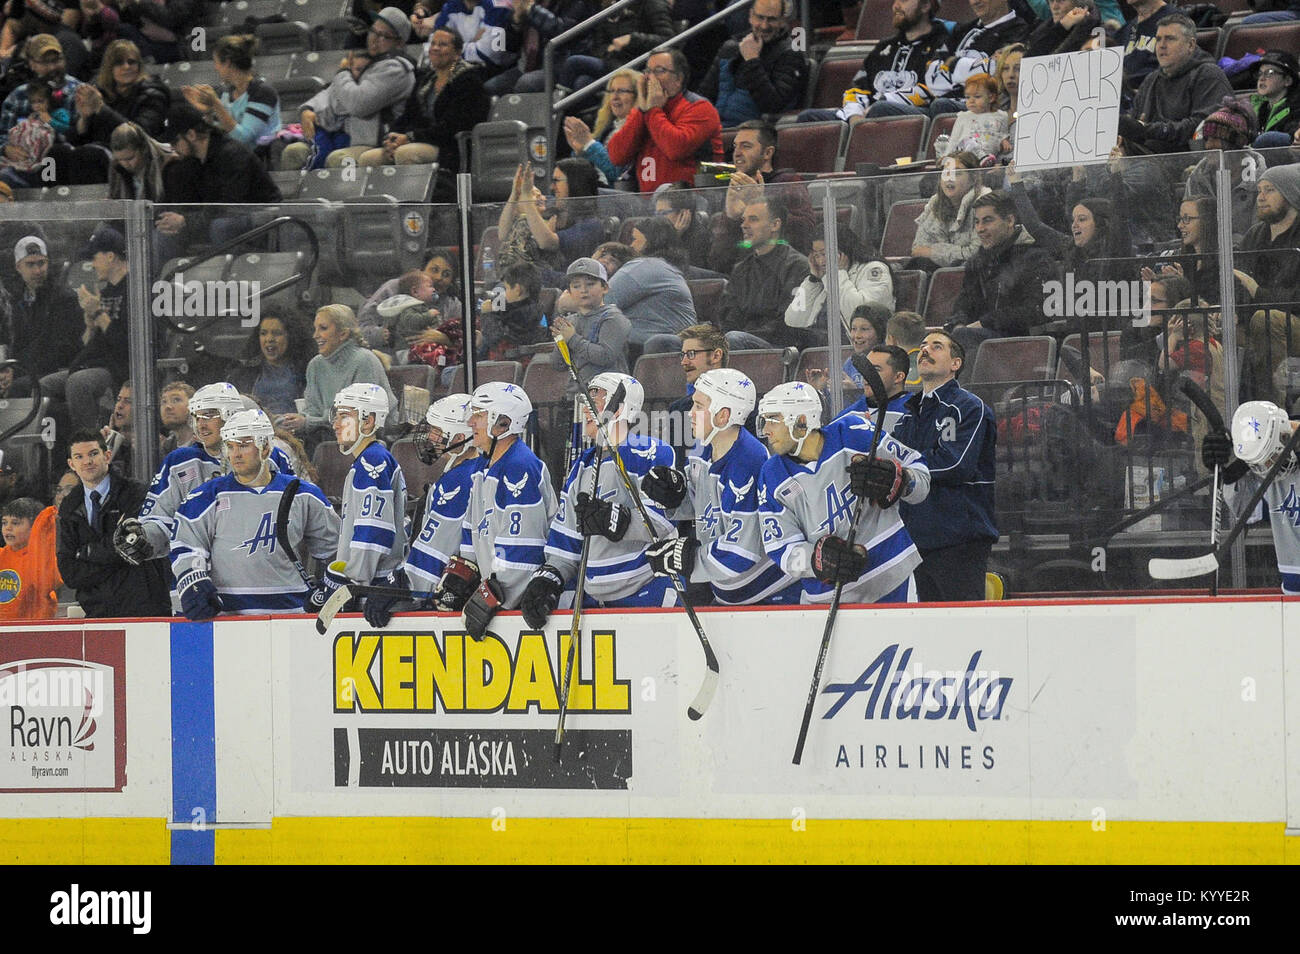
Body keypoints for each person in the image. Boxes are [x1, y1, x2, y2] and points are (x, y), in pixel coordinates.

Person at [520, 372, 678, 626]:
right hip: (593, 605)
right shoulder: (581, 467)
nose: (586, 408)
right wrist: (547, 580)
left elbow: (663, 522)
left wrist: (615, 519)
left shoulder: (649, 452)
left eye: (597, 397)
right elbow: (565, 545)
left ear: (620, 407)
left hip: (647, 597)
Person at [757, 380, 930, 604]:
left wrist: (899, 480)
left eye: (773, 419)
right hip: (827, 599)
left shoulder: (853, 433)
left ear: (801, 421)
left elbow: (922, 477)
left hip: (892, 579)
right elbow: (780, 547)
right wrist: (816, 560)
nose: (766, 430)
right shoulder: (771, 474)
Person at [639, 368, 802, 605]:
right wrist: (675, 494)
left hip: (771, 597)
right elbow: (700, 503)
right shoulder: (704, 448)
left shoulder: (748, 460)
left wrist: (689, 558)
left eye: (698, 406)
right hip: (730, 593)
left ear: (723, 415)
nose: (690, 414)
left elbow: (742, 550)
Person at [170, 409, 341, 619]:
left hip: (291, 614)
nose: (236, 454)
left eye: (243, 445)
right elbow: (186, 544)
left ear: (266, 447)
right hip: (229, 616)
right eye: (230, 446)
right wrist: (193, 580)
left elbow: (334, 548)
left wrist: (334, 582)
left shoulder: (303, 493)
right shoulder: (206, 496)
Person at [117, 382, 296, 571]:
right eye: (196, 416)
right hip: (195, 578)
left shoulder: (271, 457)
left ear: (232, 415)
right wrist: (142, 538)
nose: (201, 425)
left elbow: (297, 516)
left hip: (263, 576)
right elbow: (161, 520)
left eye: (209, 415)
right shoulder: (180, 461)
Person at [436, 381, 558, 638]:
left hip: (520, 611)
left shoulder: (519, 466)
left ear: (502, 423)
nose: (470, 423)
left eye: (478, 415)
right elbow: (471, 534)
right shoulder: (482, 466)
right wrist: (464, 579)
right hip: (499, 600)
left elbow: (522, 553)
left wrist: (490, 599)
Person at [890, 330, 997, 602]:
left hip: (958, 538)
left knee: (963, 626)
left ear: (955, 364)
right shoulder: (910, 413)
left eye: (937, 346)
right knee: (929, 629)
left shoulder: (969, 407)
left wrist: (901, 473)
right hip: (917, 538)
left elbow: (955, 464)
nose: (925, 350)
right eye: (923, 345)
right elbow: (892, 460)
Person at [365, 393, 482, 627]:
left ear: (459, 436)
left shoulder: (460, 479)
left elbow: (437, 548)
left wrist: (402, 584)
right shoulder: (472, 467)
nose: (430, 436)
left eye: (437, 431)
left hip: (454, 604)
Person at [281, 7, 416, 170]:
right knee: (293, 152)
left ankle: (337, 195)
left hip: (375, 143)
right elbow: (332, 92)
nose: (374, 39)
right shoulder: (370, 61)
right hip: (345, 136)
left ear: (399, 43)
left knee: (340, 159)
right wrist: (308, 109)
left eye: (384, 36)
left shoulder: (396, 68)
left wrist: (343, 72)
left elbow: (357, 104)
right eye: (373, 31)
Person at [57, 429, 170, 618]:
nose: (87, 461)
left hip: (145, 608)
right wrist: (116, 554)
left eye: (93, 454)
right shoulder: (69, 506)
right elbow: (70, 573)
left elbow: (132, 546)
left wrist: (86, 553)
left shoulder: (136, 493)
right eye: (79, 456)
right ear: (71, 464)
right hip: (97, 612)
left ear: (107, 455)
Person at [318, 382, 408, 614]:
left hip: (371, 588)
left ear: (368, 422)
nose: (336, 425)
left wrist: (353, 583)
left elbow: (373, 532)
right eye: (335, 416)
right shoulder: (368, 460)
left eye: (344, 416)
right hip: (371, 583)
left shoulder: (372, 463)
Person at [358, 26, 489, 177]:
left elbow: (453, 126)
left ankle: (413, 201)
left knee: (405, 154)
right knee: (368, 159)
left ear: (457, 53)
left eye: (442, 44)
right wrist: (391, 138)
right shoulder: (425, 79)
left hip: (450, 147)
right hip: (421, 139)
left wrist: (410, 138)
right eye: (433, 44)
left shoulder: (468, 80)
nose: (435, 48)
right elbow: (408, 115)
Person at [157, 102, 282, 255]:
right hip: (214, 218)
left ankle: (228, 277)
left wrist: (185, 221)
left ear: (191, 135)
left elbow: (230, 207)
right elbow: (188, 204)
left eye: (174, 142)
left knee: (222, 226)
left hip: (258, 218)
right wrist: (172, 220)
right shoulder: (189, 162)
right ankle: (167, 278)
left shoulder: (233, 155)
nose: (172, 148)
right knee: (163, 234)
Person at [797, 0, 952, 123]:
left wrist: (883, 101)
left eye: (904, 0)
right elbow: (857, 88)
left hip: (914, 114)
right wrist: (854, 115)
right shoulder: (884, 46)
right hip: (871, 112)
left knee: (881, 110)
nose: (896, 6)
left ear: (925, 5)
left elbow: (933, 89)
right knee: (808, 117)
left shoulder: (945, 44)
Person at [1202, 402, 1300, 593]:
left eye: (1269, 457)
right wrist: (1223, 466)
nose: (1267, 466)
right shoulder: (1277, 477)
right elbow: (1245, 506)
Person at [947, 189, 1055, 359]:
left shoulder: (1036, 258)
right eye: (977, 222)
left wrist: (985, 322)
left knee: (962, 339)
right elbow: (964, 303)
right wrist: (958, 323)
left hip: (1021, 343)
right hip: (981, 339)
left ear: (1010, 220)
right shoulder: (977, 261)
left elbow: (1037, 311)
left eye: (987, 221)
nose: (980, 229)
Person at [606, 48, 723, 194]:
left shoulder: (699, 108)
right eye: (648, 71)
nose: (650, 78)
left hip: (691, 201)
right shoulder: (644, 110)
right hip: (646, 203)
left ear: (678, 79)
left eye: (659, 71)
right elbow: (616, 156)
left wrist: (654, 110)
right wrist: (642, 111)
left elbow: (675, 149)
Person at [48, 226, 129, 432]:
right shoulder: (107, 291)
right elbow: (88, 344)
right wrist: (90, 323)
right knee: (40, 387)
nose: (92, 264)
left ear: (110, 256)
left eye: (95, 257)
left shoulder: (134, 289)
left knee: (78, 383)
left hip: (120, 367)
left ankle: (90, 445)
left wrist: (99, 313)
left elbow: (125, 346)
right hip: (95, 363)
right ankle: (57, 451)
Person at [278, 304, 397, 444]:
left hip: (373, 441)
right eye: (315, 329)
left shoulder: (365, 361)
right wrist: (294, 421)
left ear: (343, 334)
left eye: (323, 328)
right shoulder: (315, 365)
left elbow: (360, 419)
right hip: (329, 440)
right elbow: (312, 411)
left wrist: (309, 422)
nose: (315, 335)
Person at [708, 119, 815, 272]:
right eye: (735, 146)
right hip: (743, 278)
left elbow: (803, 237)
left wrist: (760, 206)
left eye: (746, 146)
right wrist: (731, 218)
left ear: (767, 152)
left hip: (783, 276)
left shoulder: (788, 183)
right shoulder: (734, 191)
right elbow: (719, 262)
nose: (737, 153)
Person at [1118, 14, 1232, 155]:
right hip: (1148, 156)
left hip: (1187, 158)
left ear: (1191, 45)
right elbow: (1136, 126)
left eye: (1170, 39)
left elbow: (1202, 127)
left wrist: (1148, 130)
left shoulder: (1208, 75)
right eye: (1158, 39)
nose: (1162, 45)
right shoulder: (1150, 80)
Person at [714, 195, 810, 350]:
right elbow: (728, 318)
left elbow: (789, 324)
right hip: (739, 341)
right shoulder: (741, 269)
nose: (744, 225)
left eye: (753, 219)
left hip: (779, 347)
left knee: (733, 339)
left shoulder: (798, 267)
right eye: (743, 220)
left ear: (774, 225)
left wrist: (745, 335)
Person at [1240, 164, 1300, 404]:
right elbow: (1238, 278)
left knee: (1267, 319)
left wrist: (1258, 292)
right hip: (1253, 321)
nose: (1260, 197)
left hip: (1291, 323)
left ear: (1291, 194)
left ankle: (1271, 410)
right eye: (1259, 190)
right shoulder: (1254, 235)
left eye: (1270, 190)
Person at [696, 0, 809, 128]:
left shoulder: (790, 54)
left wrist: (752, 60)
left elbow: (772, 106)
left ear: (782, 21)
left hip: (753, 134)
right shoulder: (730, 48)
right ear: (750, 16)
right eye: (760, 17)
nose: (764, 26)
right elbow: (704, 95)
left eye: (771, 19)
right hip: (716, 129)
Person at [923, 0, 1035, 117]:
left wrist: (953, 64)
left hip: (987, 107)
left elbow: (998, 73)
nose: (975, 2)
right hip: (944, 102)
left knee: (940, 105)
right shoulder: (962, 30)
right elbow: (931, 74)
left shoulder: (1019, 30)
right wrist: (977, 67)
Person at [498, 158, 604, 280]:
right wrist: (515, 194)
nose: (552, 187)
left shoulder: (591, 224)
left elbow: (547, 243)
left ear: (575, 183)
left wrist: (527, 197)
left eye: (557, 181)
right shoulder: (550, 205)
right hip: (528, 279)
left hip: (566, 284)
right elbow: (503, 234)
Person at [785, 226, 894, 338]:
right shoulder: (823, 277)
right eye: (816, 256)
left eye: (824, 254)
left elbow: (861, 316)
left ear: (843, 250)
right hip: (819, 340)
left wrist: (838, 274)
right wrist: (813, 280)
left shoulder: (873, 269)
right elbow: (792, 320)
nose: (821, 261)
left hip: (852, 342)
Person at [180, 34, 282, 150]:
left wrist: (216, 105)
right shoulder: (224, 93)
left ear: (227, 62)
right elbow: (214, 138)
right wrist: (208, 112)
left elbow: (243, 139)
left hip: (259, 157)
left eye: (216, 62)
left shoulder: (262, 92)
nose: (216, 68)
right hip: (230, 156)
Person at [611, 216, 696, 352]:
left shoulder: (646, 266)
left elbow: (599, 302)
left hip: (652, 349)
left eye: (635, 239)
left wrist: (565, 304)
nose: (631, 246)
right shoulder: (665, 267)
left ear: (651, 242)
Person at [9, 234, 82, 386]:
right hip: (24, 369)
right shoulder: (14, 300)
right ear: (18, 267)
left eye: (41, 263)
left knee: (17, 387)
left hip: (53, 371)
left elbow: (61, 349)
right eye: (30, 264)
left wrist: (16, 371)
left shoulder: (64, 298)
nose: (37, 270)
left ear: (48, 263)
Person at [70, 39, 169, 148]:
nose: (126, 67)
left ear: (139, 66)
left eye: (131, 62)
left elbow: (139, 136)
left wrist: (101, 108)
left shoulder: (153, 94)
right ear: (109, 68)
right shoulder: (100, 91)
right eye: (119, 63)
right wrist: (84, 119)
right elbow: (77, 141)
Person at [550, 257, 630, 388]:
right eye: (576, 286)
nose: (583, 290)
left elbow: (605, 356)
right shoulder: (570, 321)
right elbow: (558, 364)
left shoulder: (614, 318)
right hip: (576, 394)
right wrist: (560, 340)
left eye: (590, 284)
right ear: (569, 292)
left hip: (608, 395)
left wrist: (572, 339)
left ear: (605, 288)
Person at [359, 250, 463, 346]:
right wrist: (382, 335)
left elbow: (468, 339)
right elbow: (361, 328)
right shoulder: (393, 288)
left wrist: (445, 339)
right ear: (421, 270)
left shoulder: (453, 305)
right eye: (434, 270)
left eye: (446, 274)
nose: (439, 277)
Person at [911, 151, 991, 268]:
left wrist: (933, 252)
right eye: (946, 172)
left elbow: (977, 253)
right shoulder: (936, 203)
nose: (949, 178)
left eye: (957, 173)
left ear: (973, 178)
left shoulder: (984, 204)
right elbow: (918, 249)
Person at [562, 68, 639, 186]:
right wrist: (580, 151)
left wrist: (589, 144)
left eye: (622, 91)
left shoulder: (638, 130)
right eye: (612, 91)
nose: (615, 97)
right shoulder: (607, 129)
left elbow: (617, 174)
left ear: (638, 96)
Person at [227, 314, 311, 419]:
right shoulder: (243, 373)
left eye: (277, 333)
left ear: (291, 336)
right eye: (263, 333)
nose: (269, 339)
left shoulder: (307, 371)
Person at [0, 496, 60, 620]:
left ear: (34, 527)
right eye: (4, 522)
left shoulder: (42, 559)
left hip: (33, 632)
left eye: (15, 523)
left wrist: (44, 529)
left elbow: (47, 584)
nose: (8, 528)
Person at [478, 261, 546, 360]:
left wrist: (487, 314)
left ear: (517, 289)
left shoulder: (522, 315)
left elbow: (494, 338)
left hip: (505, 364)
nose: (504, 294)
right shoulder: (535, 309)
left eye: (507, 289)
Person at [1115, 0, 1178, 106]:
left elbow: (1172, 69)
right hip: (1122, 98)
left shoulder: (1175, 20)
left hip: (1155, 101)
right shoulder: (1124, 30)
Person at [838, 344, 913, 426]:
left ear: (898, 377)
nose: (866, 374)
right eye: (866, 368)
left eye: (876, 370)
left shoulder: (915, 412)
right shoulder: (847, 416)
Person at [0, 79, 53, 187]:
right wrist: (5, 148)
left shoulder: (58, 114)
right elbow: (5, 134)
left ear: (49, 101)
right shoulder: (28, 118)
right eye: (33, 102)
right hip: (19, 158)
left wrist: (50, 122)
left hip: (47, 160)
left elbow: (65, 135)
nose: (37, 105)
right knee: (5, 174)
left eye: (41, 101)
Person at [945, 73, 1007, 163]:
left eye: (977, 96)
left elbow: (1003, 134)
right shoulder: (963, 117)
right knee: (968, 142)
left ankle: (984, 160)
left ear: (991, 97)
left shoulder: (1001, 116)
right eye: (967, 97)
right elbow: (954, 140)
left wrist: (1004, 140)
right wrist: (947, 158)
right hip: (964, 160)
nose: (971, 100)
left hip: (990, 159)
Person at [1252, 51, 1300, 150]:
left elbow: (1293, 132)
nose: (1262, 78)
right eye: (1260, 73)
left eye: (1270, 73)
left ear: (1287, 81)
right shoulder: (1256, 108)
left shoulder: (1295, 108)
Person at [157, 379, 194, 455]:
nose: (168, 406)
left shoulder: (207, 445)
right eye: (164, 401)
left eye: (176, 400)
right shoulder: (165, 447)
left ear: (192, 406)